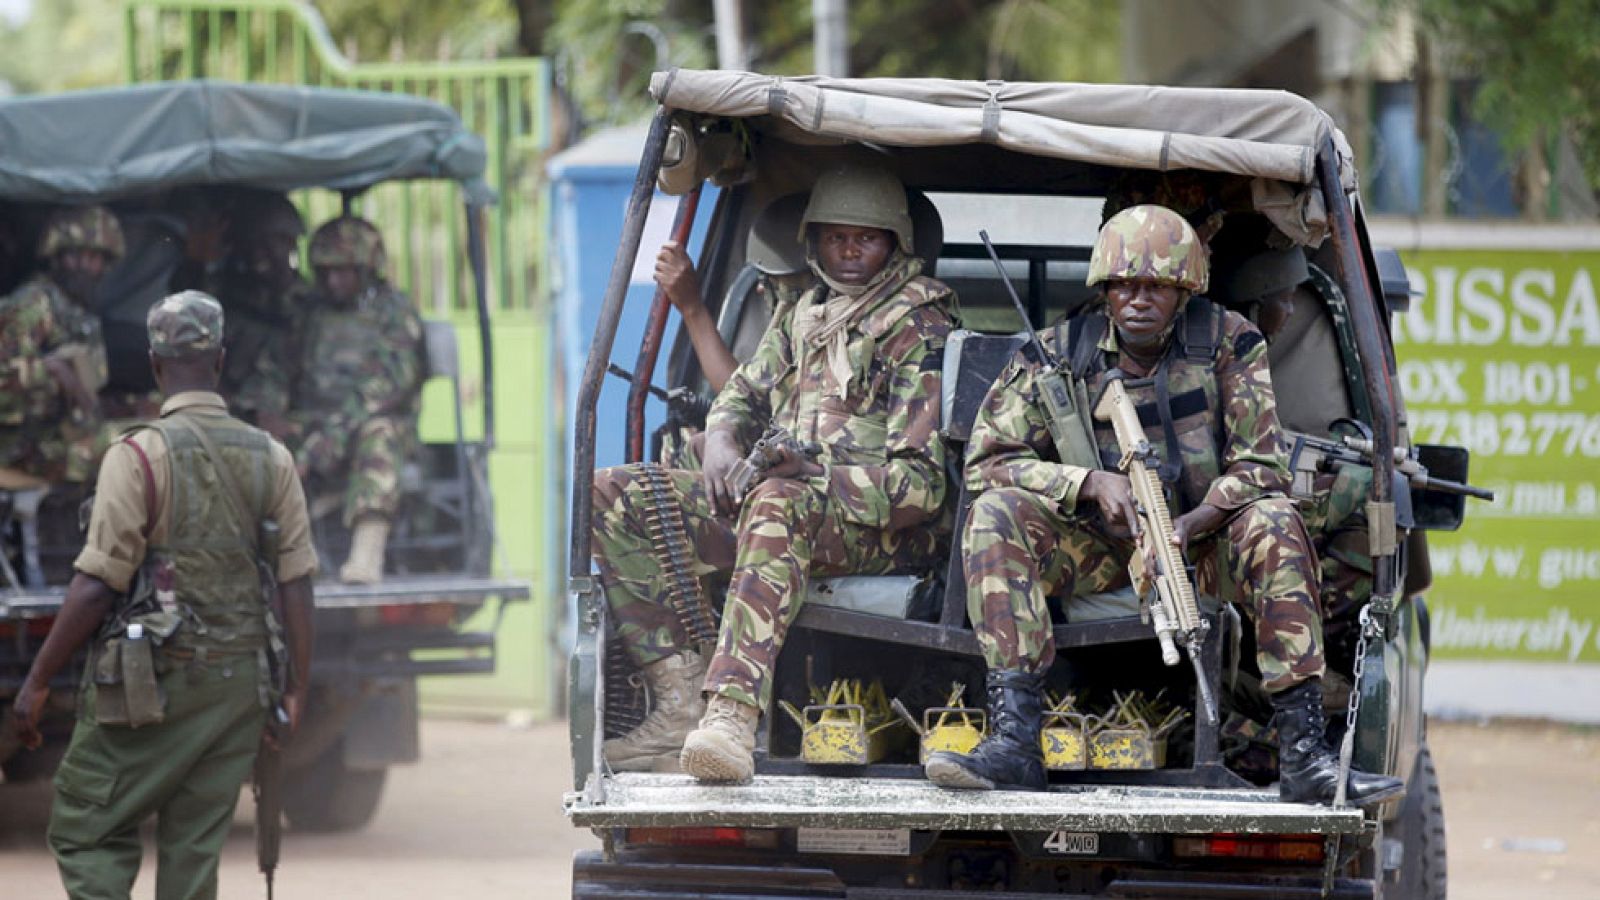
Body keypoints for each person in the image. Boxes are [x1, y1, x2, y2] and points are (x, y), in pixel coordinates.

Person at [927, 204, 1401, 807]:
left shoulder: (1230, 342)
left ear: (1185, 289)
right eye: (1124, 286)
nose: (1137, 300)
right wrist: (1086, 484)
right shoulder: (1060, 348)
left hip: (1204, 544)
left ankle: (1304, 756)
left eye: (1155, 286)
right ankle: (1017, 742)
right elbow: (988, 462)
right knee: (994, 513)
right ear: (1105, 289)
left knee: (1276, 520)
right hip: (1098, 541)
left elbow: (1261, 466)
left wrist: (1192, 522)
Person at [592, 164, 956, 781]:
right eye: (835, 237)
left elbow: (921, 486)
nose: (847, 251)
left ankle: (730, 717)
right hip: (792, 509)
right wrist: (723, 447)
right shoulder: (806, 315)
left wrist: (810, 471)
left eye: (865, 238)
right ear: (812, 242)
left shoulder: (918, 327)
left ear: (896, 243)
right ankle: (680, 703)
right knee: (613, 493)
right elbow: (740, 394)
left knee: (778, 500)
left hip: (884, 531)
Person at [10, 290, 315, 900]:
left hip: (151, 685)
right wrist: (294, 688)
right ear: (221, 360)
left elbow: (98, 585)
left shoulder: (136, 455)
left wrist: (39, 680)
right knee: (193, 847)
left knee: (86, 827)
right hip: (238, 689)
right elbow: (296, 584)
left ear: (154, 364)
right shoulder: (273, 458)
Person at [287, 216, 424, 584]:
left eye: (345, 272)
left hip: (369, 427)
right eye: (327, 272)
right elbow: (276, 365)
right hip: (315, 423)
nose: (334, 281)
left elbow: (382, 390)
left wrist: (326, 443)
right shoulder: (309, 313)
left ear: (367, 268)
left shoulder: (394, 313)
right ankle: (292, 556)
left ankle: (366, 555)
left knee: (379, 434)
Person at [0, 206, 123, 483]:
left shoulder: (79, 313)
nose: (95, 268)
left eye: (100, 259)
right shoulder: (33, 305)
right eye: (87, 256)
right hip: (21, 449)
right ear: (61, 255)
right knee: (130, 449)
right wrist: (50, 371)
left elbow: (91, 393)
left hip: (59, 437)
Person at [210, 192, 311, 430]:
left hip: (290, 415)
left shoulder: (308, 303)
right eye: (254, 243)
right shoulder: (225, 298)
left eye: (271, 243)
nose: (260, 254)